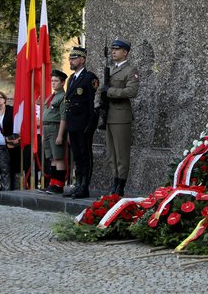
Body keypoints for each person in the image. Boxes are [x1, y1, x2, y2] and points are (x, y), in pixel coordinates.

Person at [100, 39, 139, 196]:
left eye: (117, 49)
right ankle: (115, 181)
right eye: (112, 49)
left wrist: (110, 91)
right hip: (108, 115)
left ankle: (120, 185)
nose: (113, 52)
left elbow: (132, 91)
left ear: (126, 52)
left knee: (121, 153)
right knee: (111, 154)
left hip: (121, 116)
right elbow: (101, 91)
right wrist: (98, 104)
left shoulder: (130, 70)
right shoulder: (110, 69)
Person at [63, 47, 98, 198]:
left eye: (74, 58)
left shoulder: (90, 78)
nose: (70, 60)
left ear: (82, 60)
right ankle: (78, 184)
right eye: (70, 58)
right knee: (77, 155)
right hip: (73, 123)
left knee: (85, 155)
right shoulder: (71, 79)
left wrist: (91, 125)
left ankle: (84, 186)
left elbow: (92, 104)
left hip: (83, 123)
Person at [42, 69, 68, 194]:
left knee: (58, 157)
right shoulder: (51, 96)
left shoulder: (63, 97)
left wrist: (60, 135)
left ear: (63, 83)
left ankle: (59, 184)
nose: (53, 83)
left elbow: (64, 117)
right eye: (52, 80)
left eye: (56, 81)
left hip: (55, 128)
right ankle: (52, 182)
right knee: (51, 157)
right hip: (47, 128)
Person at [0, 91, 16, 191]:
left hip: (12, 144)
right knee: (4, 168)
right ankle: (6, 189)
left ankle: (16, 189)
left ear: (4, 99)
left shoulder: (11, 110)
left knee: (14, 167)